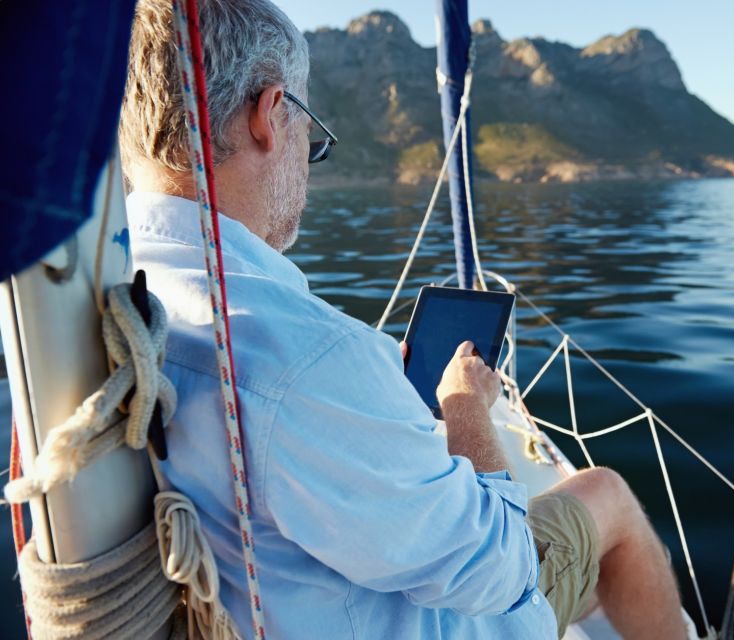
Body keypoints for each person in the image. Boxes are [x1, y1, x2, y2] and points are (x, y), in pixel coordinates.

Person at [120, 1, 686, 638]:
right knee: (606, 493)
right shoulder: (309, 361)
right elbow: (505, 571)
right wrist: (467, 405)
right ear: (270, 115)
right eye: (310, 131)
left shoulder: (119, 303)